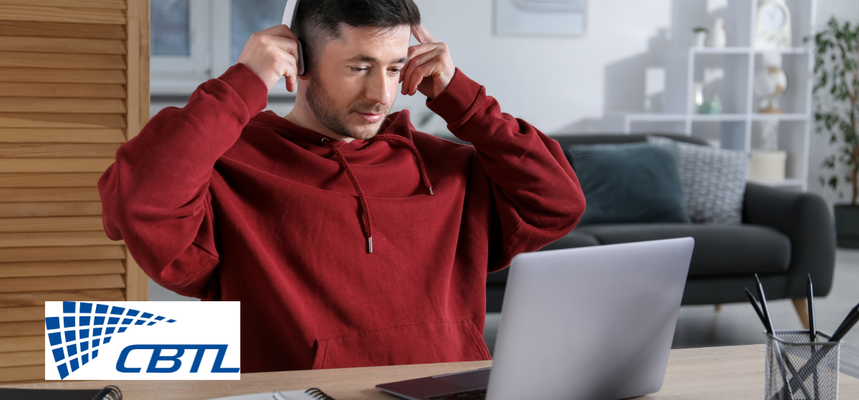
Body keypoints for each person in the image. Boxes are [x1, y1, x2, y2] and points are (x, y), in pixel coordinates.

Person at [98, 0, 585, 373]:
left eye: (394, 68)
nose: (381, 95)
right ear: (299, 61)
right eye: (359, 67)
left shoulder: (447, 168)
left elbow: (559, 202)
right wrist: (241, 84)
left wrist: (463, 98)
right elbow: (139, 199)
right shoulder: (231, 169)